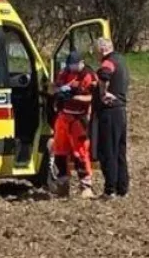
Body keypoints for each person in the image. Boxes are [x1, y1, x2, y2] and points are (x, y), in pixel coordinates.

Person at [52, 51, 97, 197]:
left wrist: (75, 96)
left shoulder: (88, 76)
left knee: (80, 153)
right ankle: (62, 184)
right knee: (59, 151)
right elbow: (55, 87)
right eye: (69, 65)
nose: (71, 68)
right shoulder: (64, 73)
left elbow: (93, 98)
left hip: (79, 119)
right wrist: (59, 91)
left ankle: (86, 186)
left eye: (74, 65)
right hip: (63, 116)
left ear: (81, 62)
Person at [93, 36, 129, 199]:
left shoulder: (108, 62)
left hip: (109, 112)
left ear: (102, 49)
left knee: (108, 151)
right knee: (120, 151)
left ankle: (110, 189)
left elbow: (105, 75)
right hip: (121, 111)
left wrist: (102, 93)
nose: (96, 56)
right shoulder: (121, 61)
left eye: (96, 52)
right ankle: (122, 187)